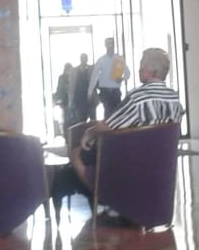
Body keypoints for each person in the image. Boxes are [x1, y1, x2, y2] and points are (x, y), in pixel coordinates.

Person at [70, 47, 185, 188]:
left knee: (77, 155)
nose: (139, 69)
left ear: (147, 70)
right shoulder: (175, 101)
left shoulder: (137, 98)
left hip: (132, 171)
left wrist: (89, 133)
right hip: (162, 173)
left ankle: (102, 198)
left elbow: (107, 127)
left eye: (141, 64)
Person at [89, 37, 128, 119]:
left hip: (116, 91)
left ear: (114, 45)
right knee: (108, 112)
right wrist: (90, 91)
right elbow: (94, 76)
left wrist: (122, 78)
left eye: (112, 43)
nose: (110, 45)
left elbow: (128, 73)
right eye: (108, 43)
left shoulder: (119, 59)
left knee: (117, 113)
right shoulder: (101, 60)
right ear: (105, 45)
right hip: (105, 91)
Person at [72, 54, 93, 123]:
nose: (83, 60)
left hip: (89, 98)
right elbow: (73, 85)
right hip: (79, 99)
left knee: (92, 120)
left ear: (87, 59)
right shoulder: (75, 71)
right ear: (80, 60)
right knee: (81, 120)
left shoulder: (91, 69)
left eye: (84, 58)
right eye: (82, 58)